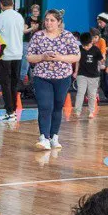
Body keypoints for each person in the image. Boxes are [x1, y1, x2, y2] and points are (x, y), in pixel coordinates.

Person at [26, 9, 79, 151]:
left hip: (62, 77)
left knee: (57, 106)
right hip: (42, 77)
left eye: (52, 20)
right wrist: (42, 57)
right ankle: (44, 137)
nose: (48, 23)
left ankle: (54, 136)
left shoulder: (67, 36)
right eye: (47, 20)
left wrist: (61, 58)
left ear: (59, 22)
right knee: (45, 106)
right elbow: (29, 57)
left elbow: (76, 56)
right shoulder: (37, 36)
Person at [0, 0, 24, 122]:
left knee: (5, 84)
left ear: (1, 4)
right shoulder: (19, 17)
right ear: (12, 3)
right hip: (18, 55)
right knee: (14, 85)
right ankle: (13, 111)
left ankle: (9, 112)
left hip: (5, 56)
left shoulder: (0, 17)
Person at [72, 30, 103, 119]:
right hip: (82, 74)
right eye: (84, 46)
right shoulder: (79, 48)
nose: (86, 47)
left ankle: (91, 111)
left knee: (92, 95)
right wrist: (76, 71)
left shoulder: (96, 50)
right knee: (80, 93)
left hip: (94, 76)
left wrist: (105, 66)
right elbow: (77, 61)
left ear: (91, 42)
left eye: (88, 45)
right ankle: (77, 111)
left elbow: (101, 60)